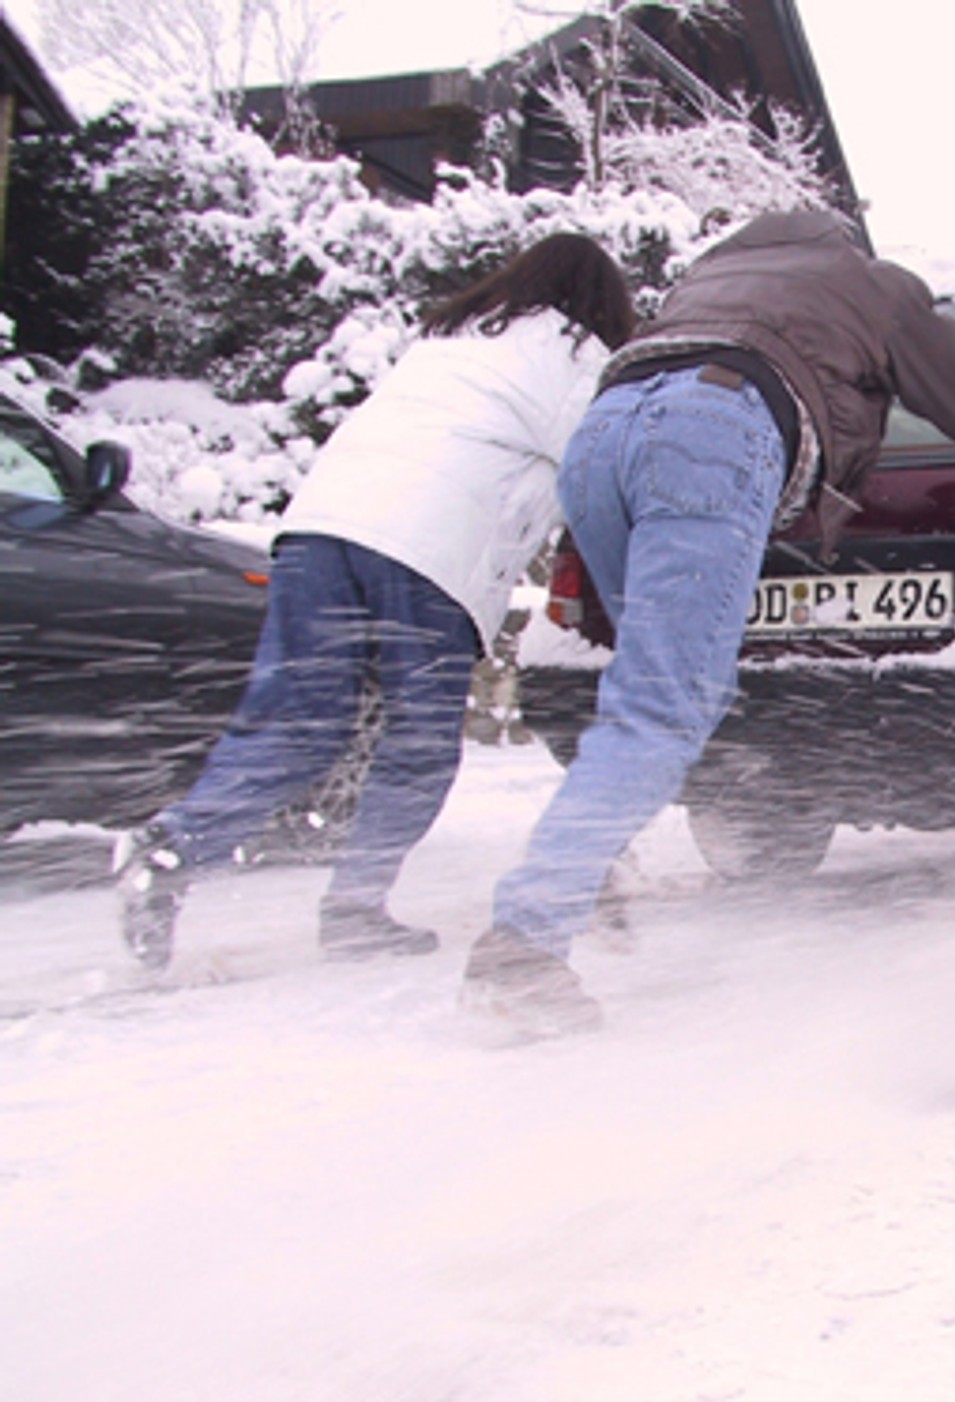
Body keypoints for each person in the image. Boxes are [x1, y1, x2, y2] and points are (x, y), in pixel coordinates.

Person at [462, 208, 955, 1035]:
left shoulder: (706, 281)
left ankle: (584, 871)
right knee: (662, 710)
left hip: (603, 436)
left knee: (641, 694)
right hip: (712, 432)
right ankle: (526, 944)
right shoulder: (867, 282)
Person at [116, 233, 635, 969]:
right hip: (425, 552)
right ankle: (356, 908)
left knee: (297, 721)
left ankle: (174, 845)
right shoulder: (576, 355)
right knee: (417, 747)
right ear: (603, 304)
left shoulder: (448, 339)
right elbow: (595, 474)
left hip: (319, 528)